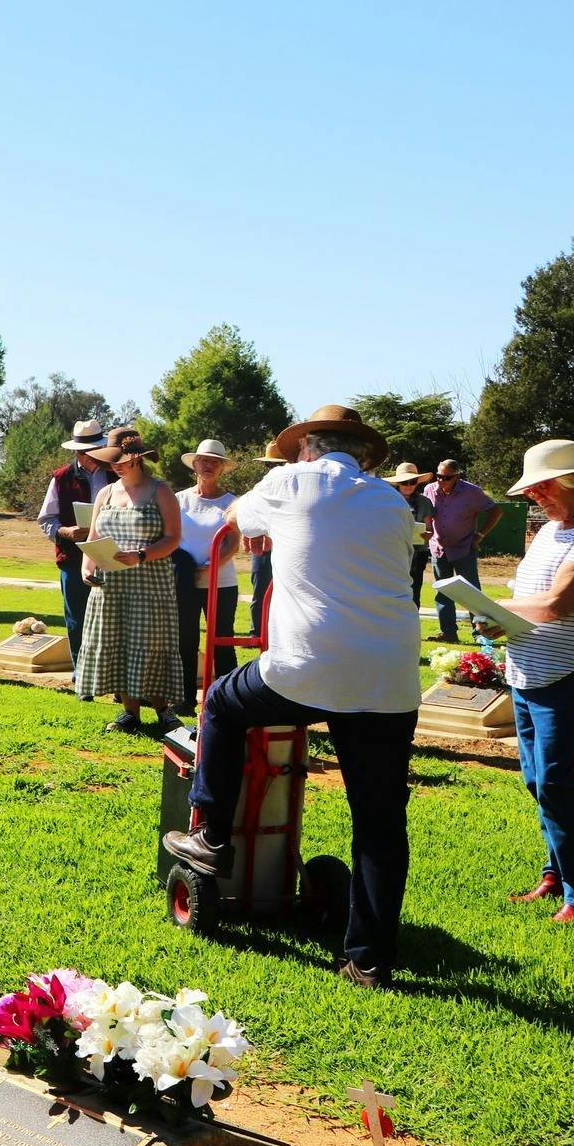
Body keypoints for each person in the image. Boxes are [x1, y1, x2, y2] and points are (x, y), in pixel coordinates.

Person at [165, 405, 420, 987]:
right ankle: (370, 958)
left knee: (223, 702)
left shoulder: (289, 479)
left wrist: (269, 521)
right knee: (380, 822)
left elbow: (233, 514)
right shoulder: (391, 500)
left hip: (306, 669)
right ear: (363, 457)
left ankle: (212, 835)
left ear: (307, 448)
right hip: (388, 676)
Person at [494, 440, 574, 924]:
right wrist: (496, 622)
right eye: (532, 490)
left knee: (553, 781)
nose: (536, 496)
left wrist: (498, 611)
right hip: (526, 673)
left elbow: (557, 604)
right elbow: (529, 598)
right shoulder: (550, 531)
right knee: (537, 780)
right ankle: (556, 873)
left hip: (569, 677)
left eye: (544, 486)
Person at [73, 429, 185, 734]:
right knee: (117, 642)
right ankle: (129, 713)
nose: (116, 466)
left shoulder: (160, 491)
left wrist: (141, 555)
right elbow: (93, 537)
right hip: (111, 586)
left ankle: (164, 711)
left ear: (137, 458)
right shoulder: (105, 493)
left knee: (150, 643)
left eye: (121, 460)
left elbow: (174, 538)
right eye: (112, 462)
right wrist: (87, 566)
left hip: (149, 581)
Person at [174, 440, 242, 715]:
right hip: (185, 582)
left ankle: (227, 700)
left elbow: (233, 543)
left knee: (222, 639)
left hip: (221, 582)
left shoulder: (232, 503)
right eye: (203, 460)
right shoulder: (179, 500)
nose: (208, 465)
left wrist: (211, 566)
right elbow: (170, 537)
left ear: (223, 468)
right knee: (184, 640)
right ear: (194, 465)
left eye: (215, 461)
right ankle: (184, 699)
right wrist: (185, 568)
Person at [39, 419, 115, 664]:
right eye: (84, 451)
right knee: (77, 619)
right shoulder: (61, 478)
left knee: (114, 620)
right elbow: (46, 520)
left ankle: (114, 680)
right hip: (73, 558)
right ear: (76, 451)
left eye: (94, 450)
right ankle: (81, 674)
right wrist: (66, 532)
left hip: (114, 556)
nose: (89, 456)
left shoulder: (118, 473)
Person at [425, 459, 503, 644]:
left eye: (446, 477)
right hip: (439, 549)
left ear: (457, 476)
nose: (441, 480)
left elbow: (496, 511)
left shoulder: (472, 492)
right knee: (443, 593)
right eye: (439, 476)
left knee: (472, 594)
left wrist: (480, 535)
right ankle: (448, 634)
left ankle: (480, 635)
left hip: (464, 548)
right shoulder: (429, 489)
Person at [382, 463, 437, 607]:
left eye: (412, 482)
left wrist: (428, 534)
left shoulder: (424, 502)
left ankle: (412, 623)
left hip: (418, 552)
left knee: (414, 589)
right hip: (393, 551)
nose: (408, 485)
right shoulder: (388, 500)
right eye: (404, 482)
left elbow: (429, 527)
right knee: (391, 588)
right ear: (398, 484)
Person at [246, 449, 288, 637]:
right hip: (263, 548)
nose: (272, 468)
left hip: (285, 547)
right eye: (269, 464)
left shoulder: (294, 489)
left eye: (278, 464)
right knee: (260, 589)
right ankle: (257, 633)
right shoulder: (260, 488)